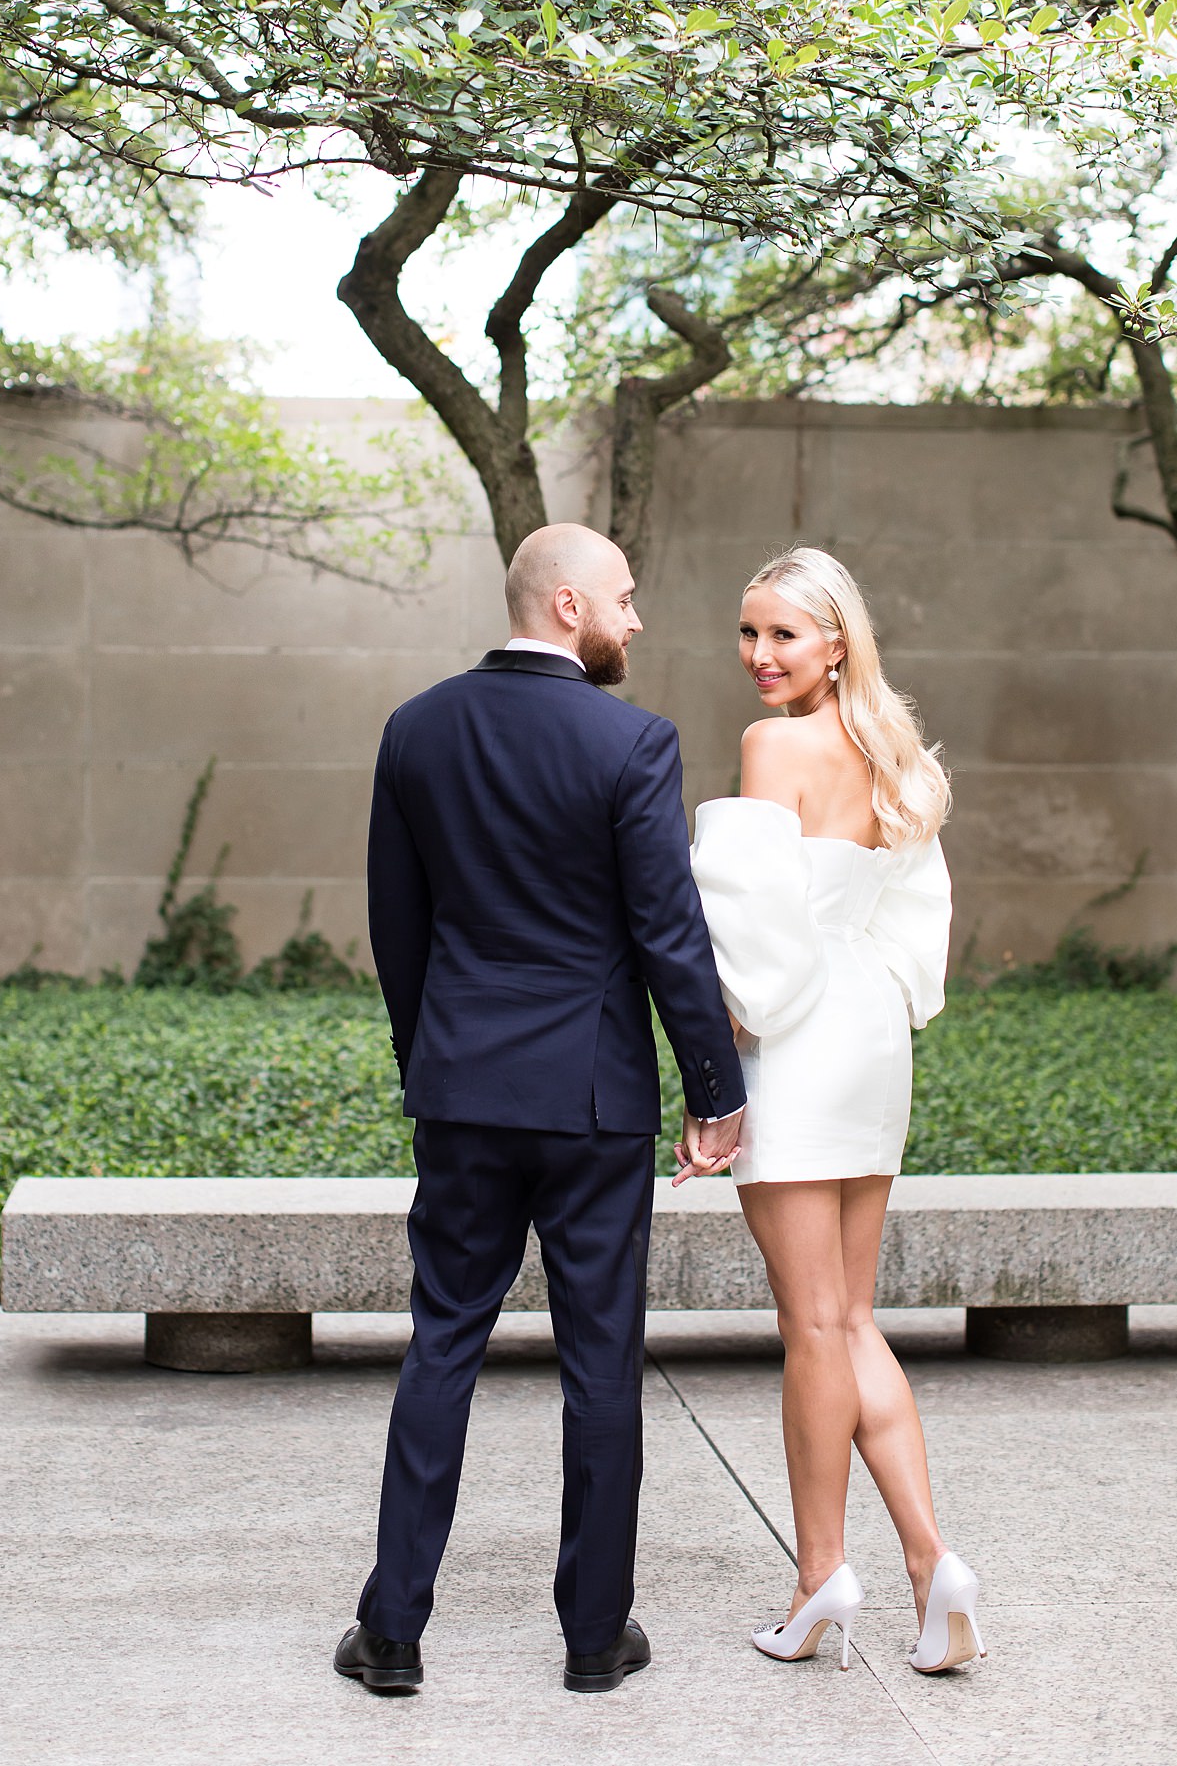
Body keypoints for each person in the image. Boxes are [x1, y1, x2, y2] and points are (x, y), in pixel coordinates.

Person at [335, 522, 746, 1698]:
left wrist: (438, 1065)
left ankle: (395, 1631)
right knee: (602, 1362)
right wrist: (715, 1094)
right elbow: (669, 935)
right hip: (592, 1099)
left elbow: (396, 927)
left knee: (442, 1343)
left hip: (464, 1085)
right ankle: (592, 1637)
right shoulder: (633, 742)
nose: (633, 619)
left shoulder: (415, 729)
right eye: (622, 597)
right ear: (567, 604)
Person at [688, 545, 987, 1676]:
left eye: (784, 635)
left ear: (836, 642)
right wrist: (888, 998)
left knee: (812, 1325)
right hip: (869, 1032)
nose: (762, 657)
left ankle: (821, 1577)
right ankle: (930, 1564)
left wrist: (723, 1071)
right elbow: (922, 914)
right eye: (750, 634)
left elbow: (750, 930)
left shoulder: (775, 744)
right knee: (853, 1319)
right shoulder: (890, 748)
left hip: (799, 1034)